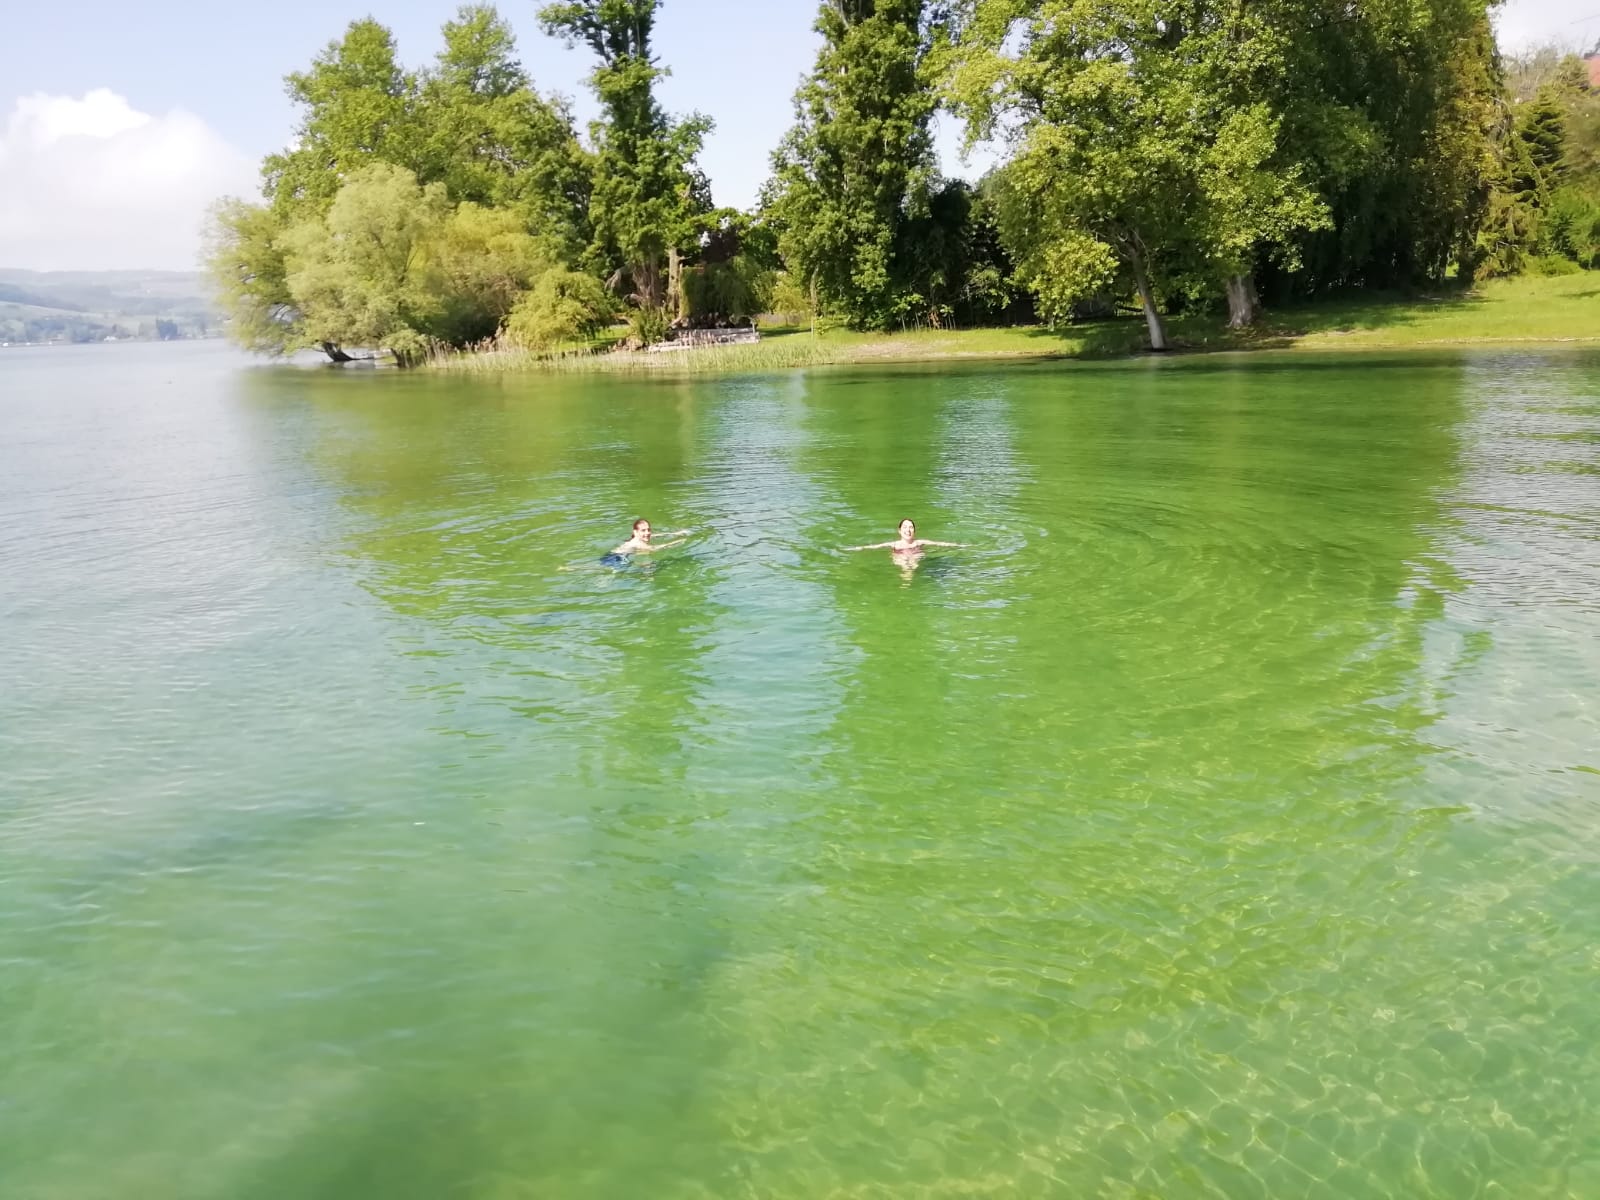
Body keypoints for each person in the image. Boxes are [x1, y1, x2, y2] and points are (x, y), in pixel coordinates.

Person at [845, 518, 965, 555]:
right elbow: (874, 547)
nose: (908, 530)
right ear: (900, 531)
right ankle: (907, 579)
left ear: (914, 531)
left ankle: (909, 579)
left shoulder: (919, 542)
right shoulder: (894, 544)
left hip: (915, 555)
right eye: (905, 527)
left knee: (916, 558)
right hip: (900, 555)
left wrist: (959, 545)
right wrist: (857, 548)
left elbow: (939, 544)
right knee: (903, 561)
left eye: (911, 527)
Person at [608, 518, 689, 560]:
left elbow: (656, 535)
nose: (647, 533)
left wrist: (675, 534)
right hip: (616, 560)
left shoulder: (638, 538)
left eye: (648, 529)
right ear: (635, 532)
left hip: (613, 556)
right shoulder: (638, 543)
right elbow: (654, 549)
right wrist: (677, 542)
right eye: (643, 530)